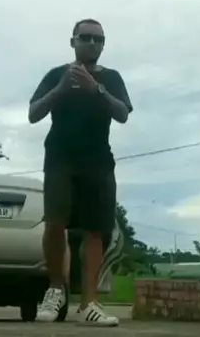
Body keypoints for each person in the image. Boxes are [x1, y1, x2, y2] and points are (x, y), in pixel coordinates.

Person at [27, 18, 133, 327]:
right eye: (85, 37)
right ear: (72, 41)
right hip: (60, 159)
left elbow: (123, 113)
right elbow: (33, 113)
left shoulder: (111, 78)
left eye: (98, 39)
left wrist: (96, 89)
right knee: (55, 224)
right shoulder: (56, 75)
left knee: (95, 231)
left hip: (98, 162)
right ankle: (55, 290)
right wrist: (62, 88)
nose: (92, 43)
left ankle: (89, 303)